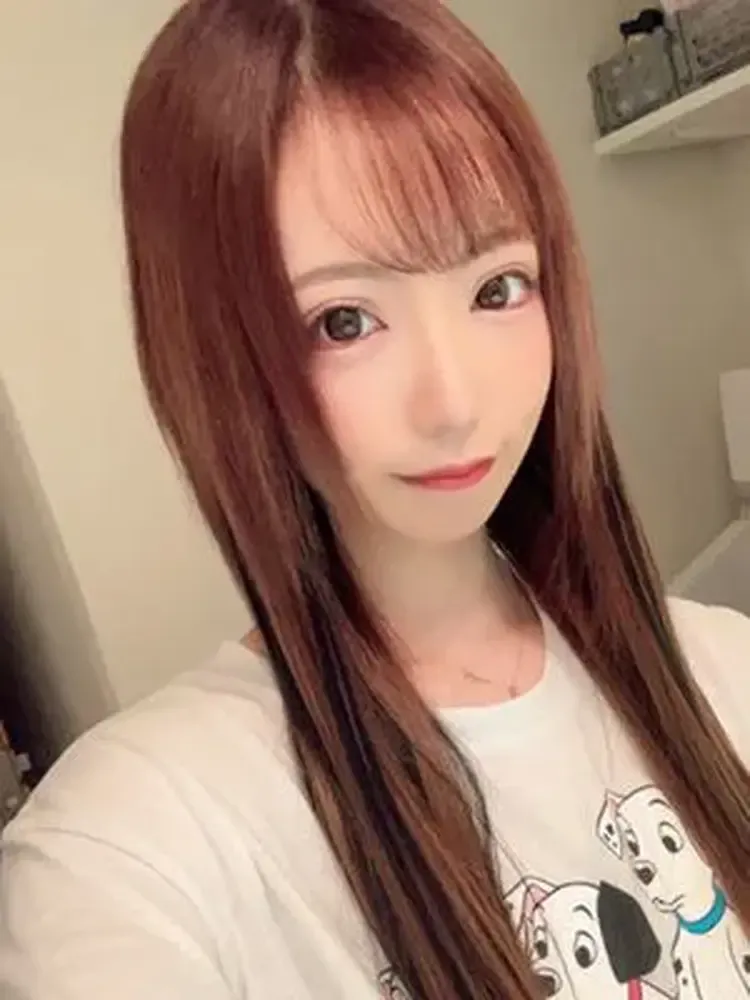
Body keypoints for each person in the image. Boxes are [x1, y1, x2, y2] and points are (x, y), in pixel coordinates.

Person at [1, 0, 748, 997]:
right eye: (345, 320)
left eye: (497, 288)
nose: (454, 402)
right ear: (215, 354)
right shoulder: (131, 841)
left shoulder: (723, 669)